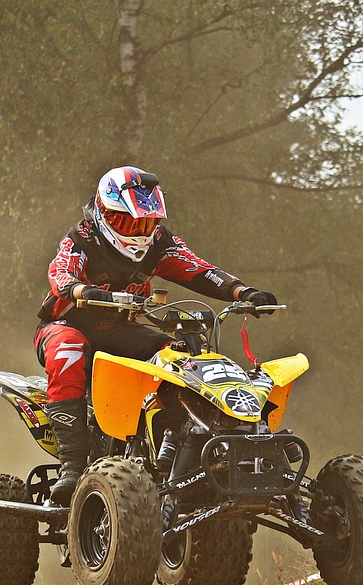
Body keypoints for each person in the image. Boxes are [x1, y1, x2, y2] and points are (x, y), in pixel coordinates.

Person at [35, 166, 277, 505]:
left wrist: (242, 292)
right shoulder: (82, 238)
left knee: (182, 356)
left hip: (122, 331)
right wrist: (80, 289)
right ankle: (73, 467)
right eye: (130, 223)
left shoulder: (158, 244)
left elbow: (200, 270)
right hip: (67, 327)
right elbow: (61, 274)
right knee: (69, 348)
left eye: (147, 224)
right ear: (105, 214)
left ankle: (186, 454)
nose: (139, 232)